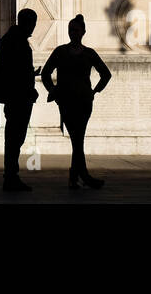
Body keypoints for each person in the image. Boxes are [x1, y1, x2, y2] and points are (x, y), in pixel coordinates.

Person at [40, 14, 111, 189]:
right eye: (71, 30)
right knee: (77, 138)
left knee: (77, 139)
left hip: (82, 101)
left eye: (76, 30)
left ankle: (76, 176)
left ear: (83, 32)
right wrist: (54, 91)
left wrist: (95, 90)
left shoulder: (84, 53)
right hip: (68, 101)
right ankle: (82, 175)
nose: (73, 33)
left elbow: (106, 74)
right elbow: (45, 74)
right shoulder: (63, 51)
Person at [0, 8, 39, 191]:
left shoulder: (7, 40)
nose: (33, 28)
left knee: (13, 137)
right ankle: (11, 176)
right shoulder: (18, 42)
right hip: (19, 96)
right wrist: (28, 78)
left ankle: (11, 175)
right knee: (15, 137)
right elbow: (16, 71)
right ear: (27, 23)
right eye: (33, 24)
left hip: (14, 95)